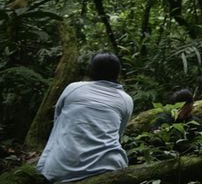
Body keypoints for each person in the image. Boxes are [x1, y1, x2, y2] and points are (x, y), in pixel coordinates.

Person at [36, 52, 134, 183]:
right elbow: (119, 134)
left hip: (60, 169)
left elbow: (58, 119)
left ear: (91, 70)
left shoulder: (74, 88)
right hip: (108, 167)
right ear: (118, 73)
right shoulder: (126, 99)